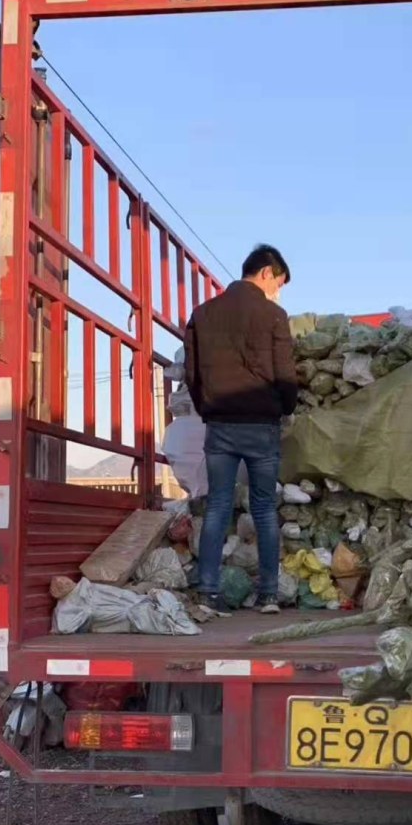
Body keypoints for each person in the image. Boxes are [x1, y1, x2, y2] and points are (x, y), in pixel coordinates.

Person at [184, 244, 298, 616]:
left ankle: (207, 592)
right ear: (266, 273)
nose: (277, 292)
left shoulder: (202, 314)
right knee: (264, 507)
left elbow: (192, 374)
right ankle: (268, 595)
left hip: (220, 425)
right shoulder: (274, 315)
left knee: (218, 506)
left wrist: (208, 410)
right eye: (278, 283)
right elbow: (285, 374)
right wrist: (285, 408)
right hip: (261, 426)